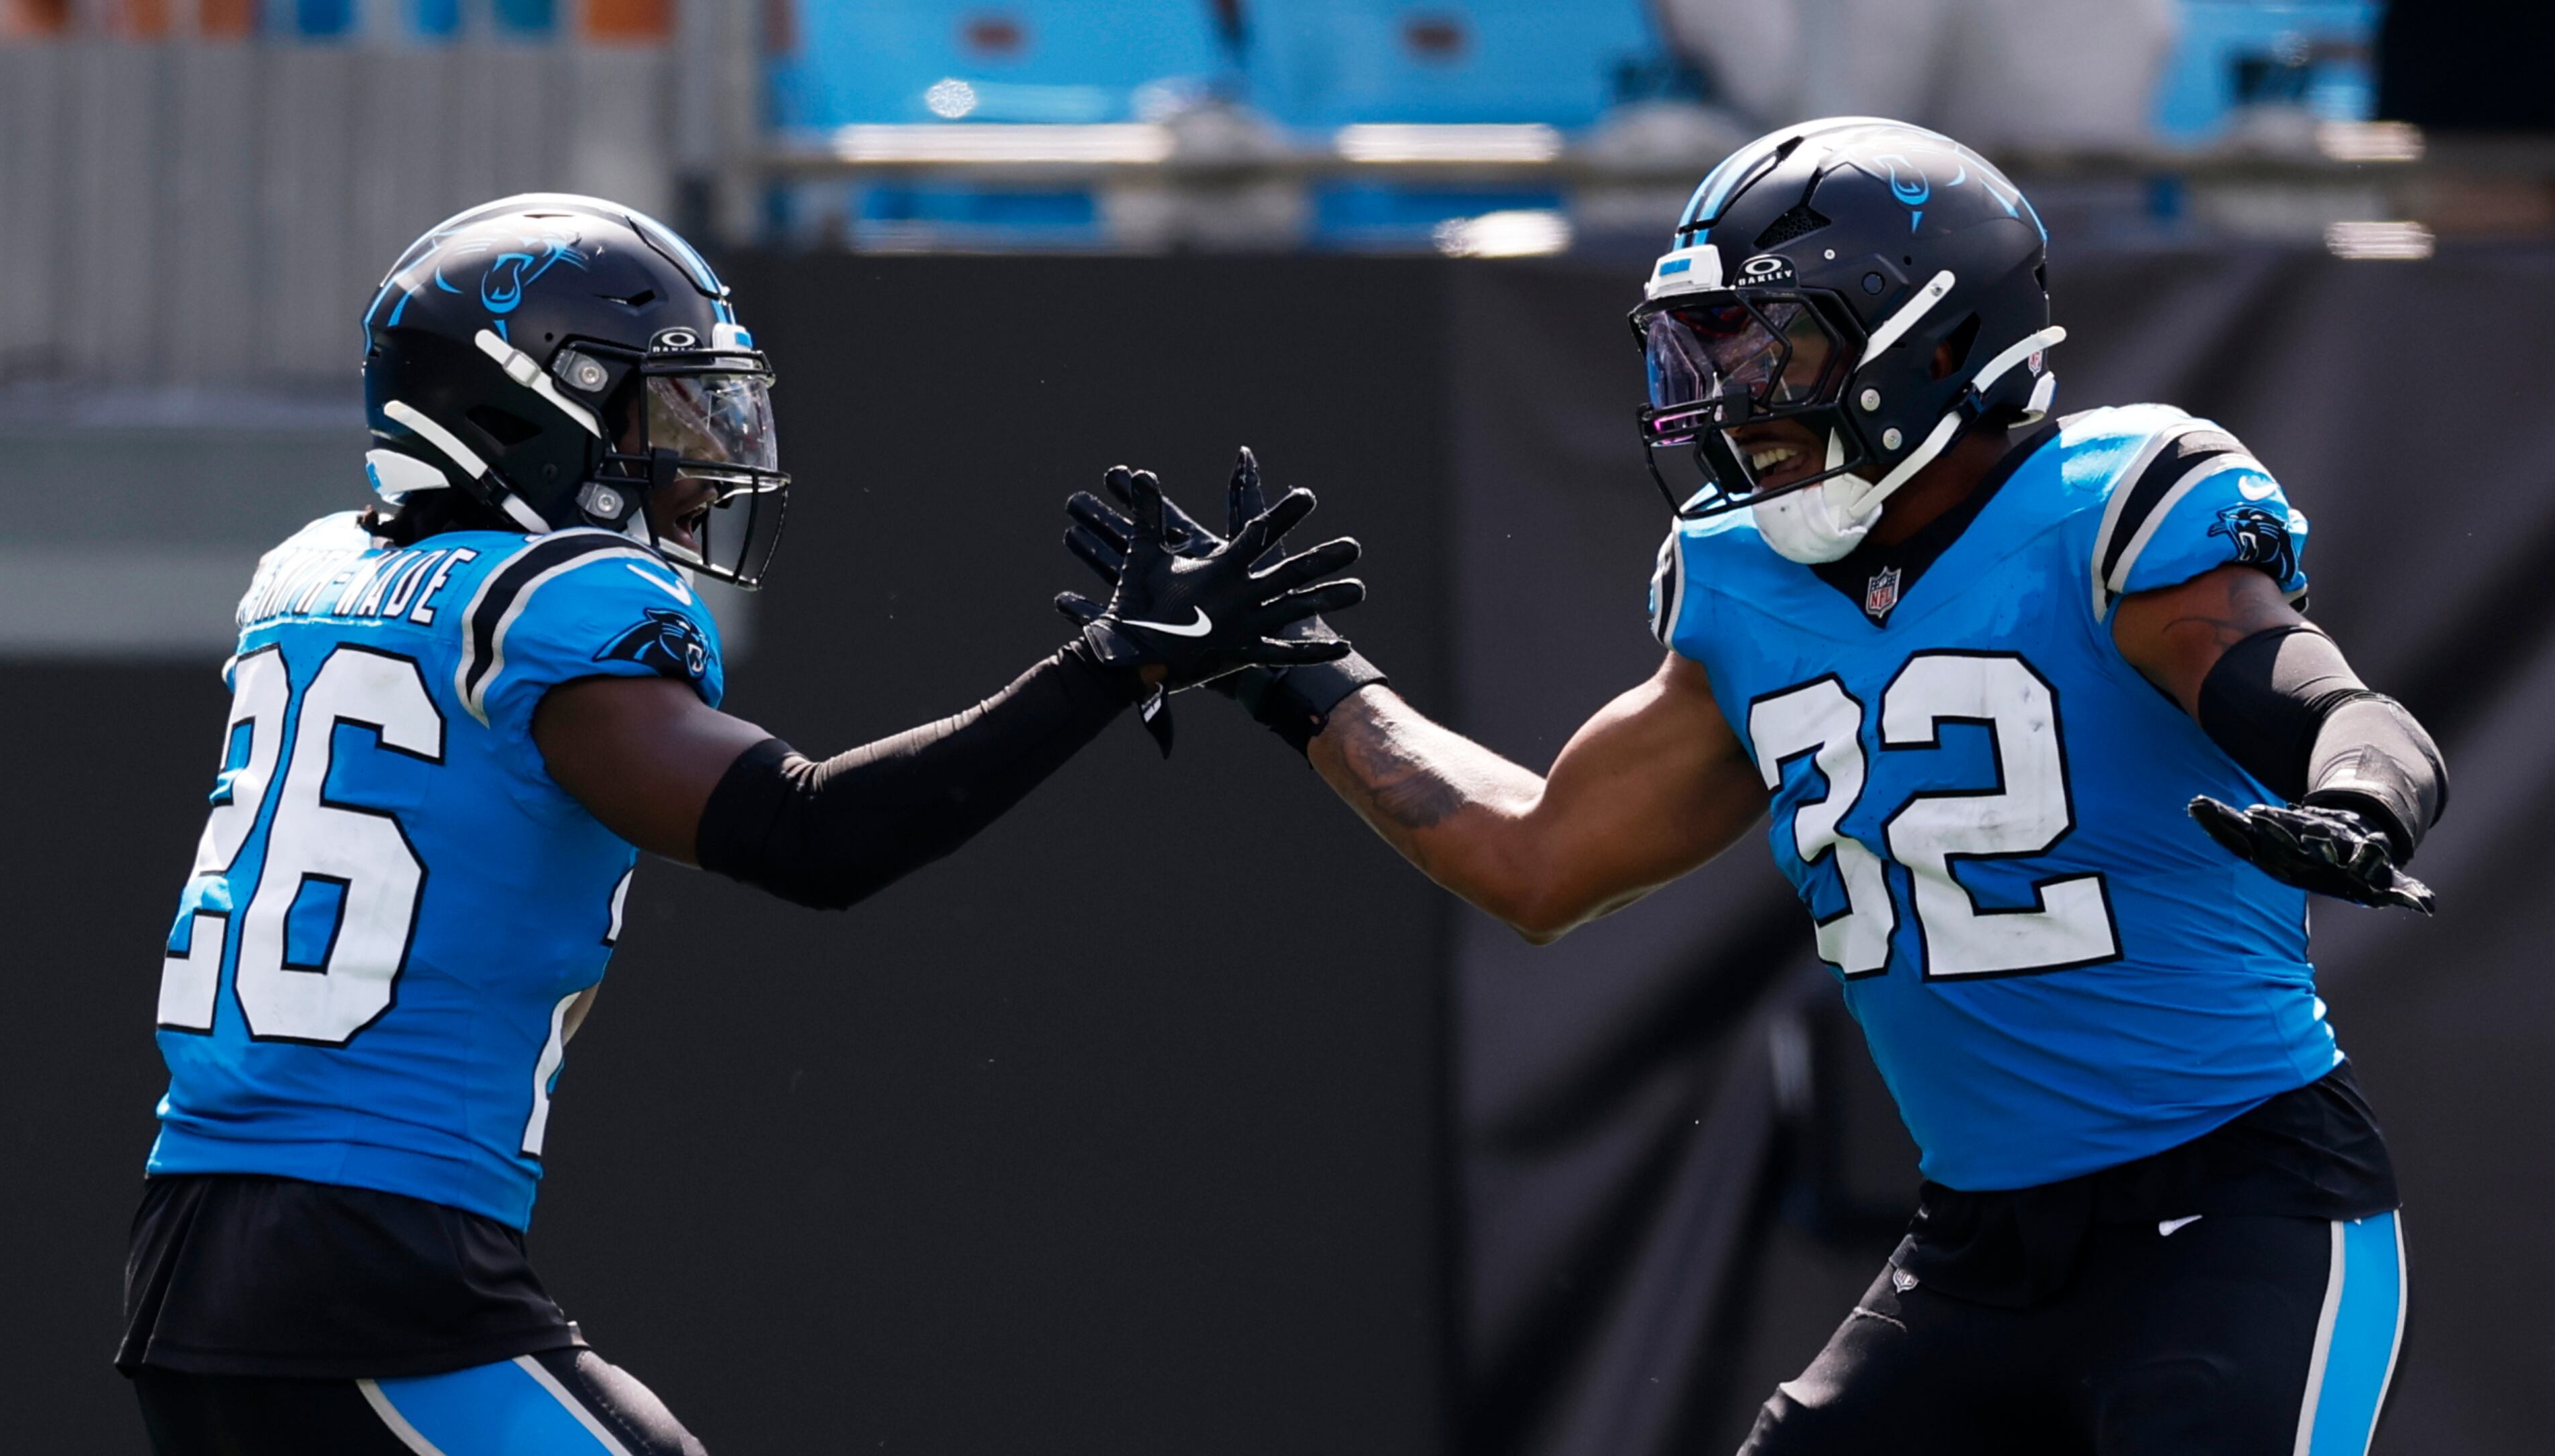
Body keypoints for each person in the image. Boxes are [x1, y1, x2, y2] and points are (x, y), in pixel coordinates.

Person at [1062, 119, 2442, 1455]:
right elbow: (1540, 861)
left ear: (1937, 336)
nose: (1729, 395)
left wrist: (2364, 800)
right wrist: (1298, 675)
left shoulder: (2114, 514)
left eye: (1770, 342)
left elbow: (2322, 700)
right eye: (1703, 345)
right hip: (1976, 1251)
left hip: (2239, 1214)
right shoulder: (1743, 586)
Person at [119, 193, 1364, 1455]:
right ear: (522, 408)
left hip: (200, 1254)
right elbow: (810, 835)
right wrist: (1107, 665)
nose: (695, 466)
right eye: (653, 417)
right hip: (365, 1260)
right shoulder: (550, 607)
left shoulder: (315, 581)